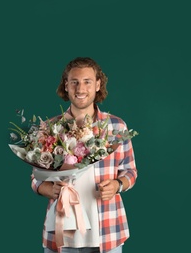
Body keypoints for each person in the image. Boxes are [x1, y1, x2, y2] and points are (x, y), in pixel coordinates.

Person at [31, 57, 138, 253]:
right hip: (61, 234)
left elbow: (130, 172)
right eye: (74, 82)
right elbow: (35, 178)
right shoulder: (50, 129)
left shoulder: (116, 127)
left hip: (107, 232)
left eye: (87, 81)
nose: (80, 89)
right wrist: (47, 189)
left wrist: (117, 185)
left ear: (98, 85)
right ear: (66, 85)